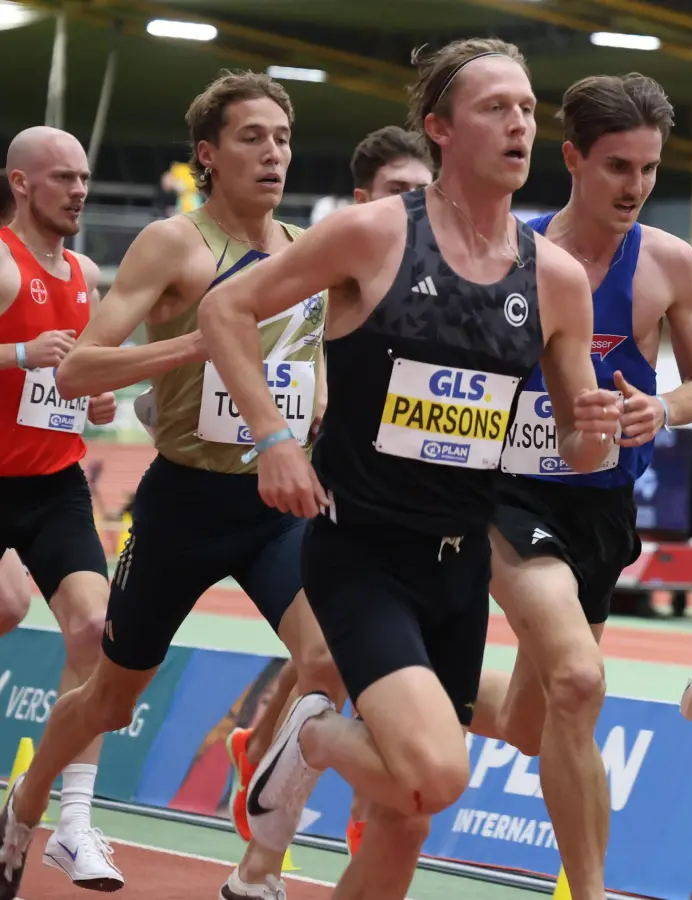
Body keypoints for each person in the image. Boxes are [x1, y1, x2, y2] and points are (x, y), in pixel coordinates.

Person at [197, 38, 619, 900]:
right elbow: (226, 309)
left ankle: (316, 746)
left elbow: (579, 448)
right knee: (435, 774)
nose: (520, 124)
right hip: (361, 555)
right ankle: (313, 737)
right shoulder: (376, 234)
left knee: (405, 821)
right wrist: (275, 440)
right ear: (440, 128)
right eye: (496, 108)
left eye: (528, 109)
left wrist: (600, 431)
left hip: (460, 567)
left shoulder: (556, 278)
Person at [0, 73, 348, 900]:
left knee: (329, 659)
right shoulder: (174, 244)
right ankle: (25, 804)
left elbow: (310, 369)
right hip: (182, 508)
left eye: (282, 138)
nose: (273, 154)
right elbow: (81, 367)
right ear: (208, 155)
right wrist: (196, 345)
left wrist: (312, 419)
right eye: (252, 138)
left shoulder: (308, 251)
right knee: (109, 701)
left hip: (271, 506)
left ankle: (258, 855)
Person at [474, 71, 692, 899]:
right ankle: (588, 890)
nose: (635, 186)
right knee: (580, 682)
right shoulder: (510, 251)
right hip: (508, 496)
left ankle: (394, 681)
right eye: (617, 166)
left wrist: (663, 408)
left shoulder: (668, 263)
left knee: (532, 724)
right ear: (573, 157)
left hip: (602, 505)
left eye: (649, 169)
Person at [223, 123, 437, 856]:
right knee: (339, 654)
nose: (412, 205)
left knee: (348, 654)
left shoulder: (448, 273)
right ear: (362, 198)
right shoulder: (343, 258)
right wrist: (286, 425)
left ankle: (276, 753)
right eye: (397, 191)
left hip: (426, 502)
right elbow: (286, 329)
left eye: (423, 192)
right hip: (345, 492)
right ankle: (286, 815)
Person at [0, 126, 121, 892]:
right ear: (21, 184)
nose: (79, 190)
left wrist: (95, 399)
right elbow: (32, 359)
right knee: (7, 607)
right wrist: (18, 354)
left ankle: (71, 823)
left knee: (97, 632)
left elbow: (79, 380)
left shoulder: (85, 272)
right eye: (62, 178)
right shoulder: (2, 264)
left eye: (83, 177)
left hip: (53, 485)